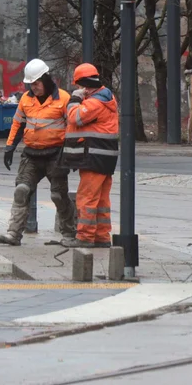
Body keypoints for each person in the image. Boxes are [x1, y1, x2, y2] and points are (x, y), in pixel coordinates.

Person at [0, 59, 76, 246]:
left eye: (36, 83)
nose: (34, 88)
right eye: (31, 84)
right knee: (21, 190)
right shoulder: (26, 99)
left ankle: (69, 233)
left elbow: (72, 128)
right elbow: (18, 123)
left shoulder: (64, 99)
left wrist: (71, 154)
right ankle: (14, 234)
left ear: (46, 80)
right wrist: (10, 147)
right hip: (31, 154)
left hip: (55, 155)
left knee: (58, 195)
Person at [60, 64, 118, 248]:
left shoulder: (94, 103)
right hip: (104, 157)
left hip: (94, 156)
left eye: (79, 87)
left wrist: (74, 100)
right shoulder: (105, 98)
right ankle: (101, 236)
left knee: (86, 197)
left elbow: (74, 118)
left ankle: (85, 237)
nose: (78, 90)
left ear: (84, 86)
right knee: (101, 200)